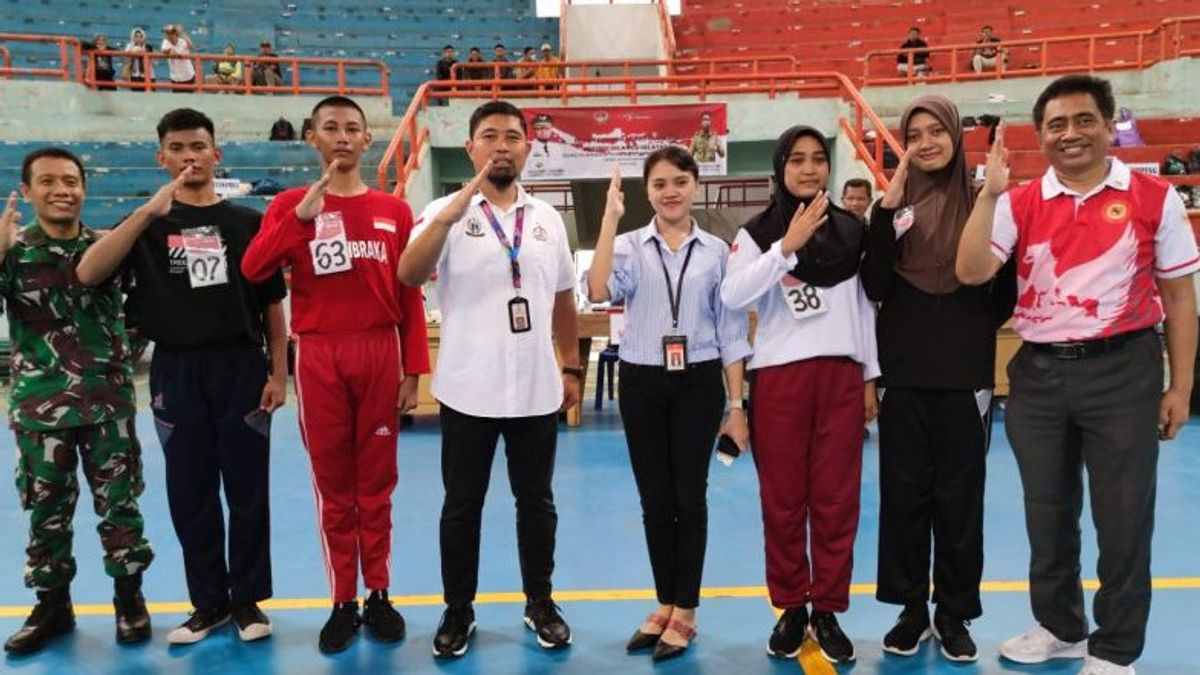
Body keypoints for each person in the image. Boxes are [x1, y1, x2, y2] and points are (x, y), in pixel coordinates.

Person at [956, 75, 1199, 675]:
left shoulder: (1153, 197)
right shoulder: (1019, 202)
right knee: (1047, 511)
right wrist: (987, 195)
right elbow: (969, 271)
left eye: (1083, 120)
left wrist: (1180, 385)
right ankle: (1062, 627)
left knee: (1123, 518)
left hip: (1124, 371)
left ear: (1108, 124)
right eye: (1056, 125)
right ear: (1040, 136)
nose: (1070, 134)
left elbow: (1179, 297)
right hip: (1038, 376)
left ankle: (1116, 649)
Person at [75, 108, 289, 645]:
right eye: (177, 147)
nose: (188, 156)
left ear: (217, 154)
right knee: (189, 491)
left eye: (198, 146)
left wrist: (279, 373)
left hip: (241, 367)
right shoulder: (147, 228)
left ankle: (247, 601)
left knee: (246, 491)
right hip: (176, 371)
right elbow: (89, 272)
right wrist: (147, 213)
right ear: (161, 157)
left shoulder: (246, 222)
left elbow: (272, 309)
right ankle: (209, 603)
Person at [241, 95, 431, 654]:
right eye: (331, 128)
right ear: (312, 138)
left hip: (378, 351)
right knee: (334, 487)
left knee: (377, 484)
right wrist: (298, 224)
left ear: (367, 140)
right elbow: (254, 270)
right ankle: (342, 599)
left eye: (353, 128)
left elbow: (409, 294)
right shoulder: (289, 204)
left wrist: (413, 369)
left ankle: (379, 592)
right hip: (320, 354)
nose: (343, 136)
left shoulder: (394, 210)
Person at [398, 100, 581, 659]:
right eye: (489, 136)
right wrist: (451, 215)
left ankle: (540, 603)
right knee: (462, 506)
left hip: (534, 388)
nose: (502, 145)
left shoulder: (548, 220)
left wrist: (571, 364)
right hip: (467, 389)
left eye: (512, 136)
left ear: (527, 147)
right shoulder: (442, 211)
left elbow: (564, 299)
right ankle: (458, 611)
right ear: (471, 148)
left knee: (538, 504)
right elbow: (408, 273)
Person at [860, 95, 1018, 663]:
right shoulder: (895, 207)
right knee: (903, 500)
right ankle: (910, 611)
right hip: (902, 376)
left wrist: (958, 330)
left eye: (937, 131)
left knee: (959, 502)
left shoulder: (986, 204)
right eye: (916, 134)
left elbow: (1003, 293)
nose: (927, 142)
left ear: (955, 135)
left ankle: (953, 612)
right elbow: (875, 285)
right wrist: (885, 211)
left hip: (963, 378)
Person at [720, 126, 878, 665]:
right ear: (780, 167)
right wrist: (784, 250)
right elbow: (732, 295)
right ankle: (791, 606)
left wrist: (869, 378)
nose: (809, 169)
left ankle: (828, 609)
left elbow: (862, 309)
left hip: (840, 376)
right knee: (783, 503)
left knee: (837, 503)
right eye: (797, 160)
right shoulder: (756, 233)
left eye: (818, 160)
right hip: (780, 382)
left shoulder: (852, 231)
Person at [586, 150, 751, 661]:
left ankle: (688, 611)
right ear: (647, 191)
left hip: (698, 383)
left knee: (689, 498)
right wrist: (610, 222)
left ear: (696, 184)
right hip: (642, 383)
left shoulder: (717, 252)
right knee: (655, 501)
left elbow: (730, 331)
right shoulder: (632, 246)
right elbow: (596, 291)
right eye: (659, 183)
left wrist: (737, 405)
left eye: (680, 181)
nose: (670, 191)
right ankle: (664, 603)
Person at [1, 148, 154, 654]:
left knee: (121, 507)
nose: (61, 189)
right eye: (47, 181)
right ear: (27, 192)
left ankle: (129, 599)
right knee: (45, 511)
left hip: (107, 404)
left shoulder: (110, 246)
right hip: (39, 410)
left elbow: (142, 311)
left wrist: (116, 360)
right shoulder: (14, 251)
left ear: (84, 188)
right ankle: (52, 605)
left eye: (70, 180)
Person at [161, 24, 196, 91]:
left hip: (188, 76)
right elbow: (169, 52)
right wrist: (171, 51)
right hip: (175, 78)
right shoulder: (165, 42)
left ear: (174, 33)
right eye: (166, 33)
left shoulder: (183, 42)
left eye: (169, 33)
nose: (168, 36)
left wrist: (182, 32)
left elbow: (192, 46)